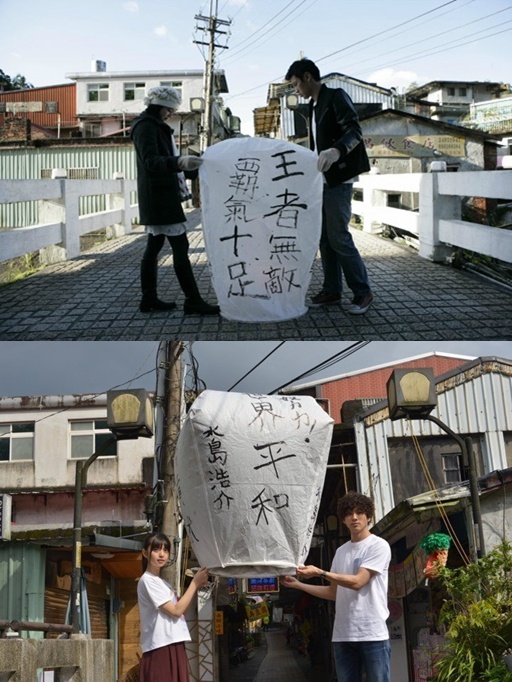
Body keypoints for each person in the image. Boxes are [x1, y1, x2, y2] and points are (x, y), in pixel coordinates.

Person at [285, 58, 374, 314]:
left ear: (307, 77)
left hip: (339, 177)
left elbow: (354, 130)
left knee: (339, 237)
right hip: (321, 179)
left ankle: (362, 292)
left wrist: (337, 150)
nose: (296, 90)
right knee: (324, 238)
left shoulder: (335, 96)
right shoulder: (313, 106)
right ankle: (332, 290)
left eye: (295, 84)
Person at [281, 491, 391, 682]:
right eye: (349, 514)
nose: (354, 517)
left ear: (369, 516)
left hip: (372, 633)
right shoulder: (341, 551)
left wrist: (320, 573)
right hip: (343, 635)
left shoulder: (378, 546)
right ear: (343, 520)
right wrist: (299, 585)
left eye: (359, 512)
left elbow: (358, 582)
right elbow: (333, 592)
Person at [130, 86, 219, 315]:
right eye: (170, 109)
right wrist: (179, 162)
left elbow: (164, 161)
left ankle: (149, 299)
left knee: (154, 247)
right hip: (159, 197)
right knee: (180, 246)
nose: (171, 113)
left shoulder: (152, 125)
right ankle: (192, 300)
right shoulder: (146, 127)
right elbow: (151, 161)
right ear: (160, 106)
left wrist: (192, 166)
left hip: (158, 195)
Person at [137, 532, 209, 682]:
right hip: (160, 646)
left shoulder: (163, 583)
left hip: (171, 642)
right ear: (145, 553)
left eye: (165, 550)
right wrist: (195, 583)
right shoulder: (148, 581)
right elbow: (176, 611)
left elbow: (182, 610)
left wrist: (194, 586)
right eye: (156, 549)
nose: (162, 554)